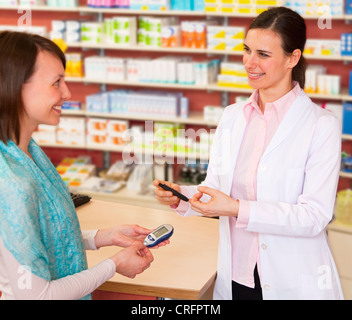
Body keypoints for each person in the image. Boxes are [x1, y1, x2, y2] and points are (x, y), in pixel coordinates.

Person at [154, 7, 344, 300]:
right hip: (237, 274)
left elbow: (313, 216)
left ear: (292, 58)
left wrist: (236, 208)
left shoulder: (321, 126)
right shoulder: (232, 117)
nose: (249, 63)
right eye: (247, 50)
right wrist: (183, 197)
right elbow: (217, 188)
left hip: (290, 278)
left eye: (263, 55)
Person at [0, 31, 168, 300]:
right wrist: (114, 265)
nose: (67, 93)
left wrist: (103, 236)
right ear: (15, 85)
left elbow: (42, 236)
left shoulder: (28, 153)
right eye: (57, 83)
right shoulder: (8, 183)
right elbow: (38, 296)